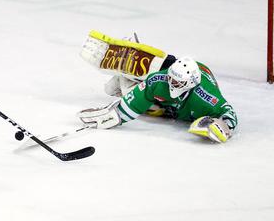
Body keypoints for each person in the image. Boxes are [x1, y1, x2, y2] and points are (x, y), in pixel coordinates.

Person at [77, 31, 238, 143]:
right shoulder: (160, 80)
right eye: (171, 78)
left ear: (189, 84)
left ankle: (126, 73)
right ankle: (133, 50)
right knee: (114, 90)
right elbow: (134, 102)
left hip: (195, 81)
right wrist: (115, 116)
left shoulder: (204, 96)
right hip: (175, 76)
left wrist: (221, 126)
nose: (172, 83)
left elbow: (228, 113)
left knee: (149, 106)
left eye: (177, 82)